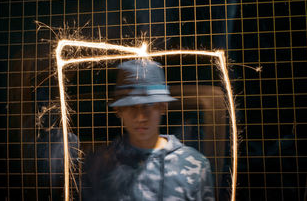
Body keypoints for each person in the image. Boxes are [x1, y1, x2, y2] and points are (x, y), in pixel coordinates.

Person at [84, 59, 215, 201]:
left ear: (163, 107)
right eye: (131, 106)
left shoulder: (194, 165)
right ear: (119, 110)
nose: (140, 117)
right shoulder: (99, 164)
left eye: (149, 105)